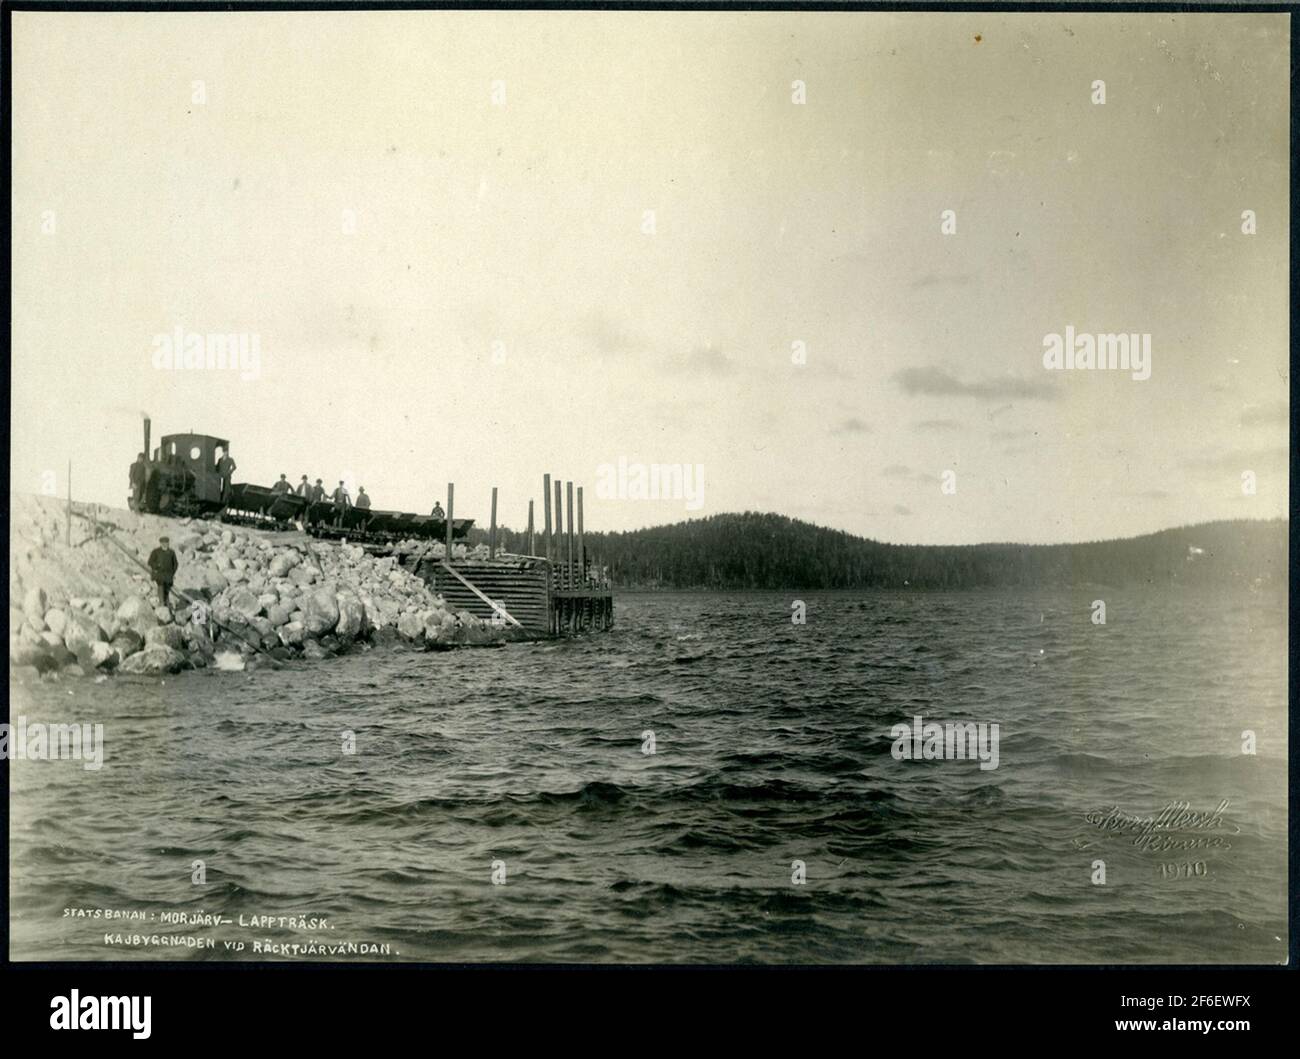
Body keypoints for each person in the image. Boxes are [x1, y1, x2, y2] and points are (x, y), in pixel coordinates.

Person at [148, 535, 179, 608]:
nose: (165, 545)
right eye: (164, 543)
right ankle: (162, 603)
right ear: (161, 543)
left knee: (167, 590)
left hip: (168, 575)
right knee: (161, 586)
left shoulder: (171, 552)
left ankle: (167, 604)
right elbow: (150, 562)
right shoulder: (156, 552)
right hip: (159, 574)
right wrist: (157, 566)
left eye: (167, 543)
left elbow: (175, 564)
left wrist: (172, 573)